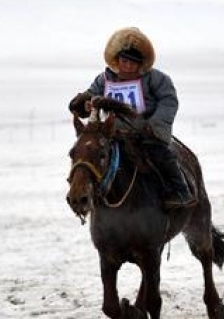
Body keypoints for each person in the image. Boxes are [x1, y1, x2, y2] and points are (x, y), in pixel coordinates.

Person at [68, 27, 196, 209]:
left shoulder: (156, 79)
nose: (128, 66)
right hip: (112, 134)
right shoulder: (104, 79)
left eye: (133, 63)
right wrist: (84, 103)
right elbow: (89, 96)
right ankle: (83, 192)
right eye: (124, 61)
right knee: (87, 154)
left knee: (162, 155)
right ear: (117, 60)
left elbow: (169, 101)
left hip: (144, 132)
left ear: (141, 64)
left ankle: (180, 192)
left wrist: (154, 126)